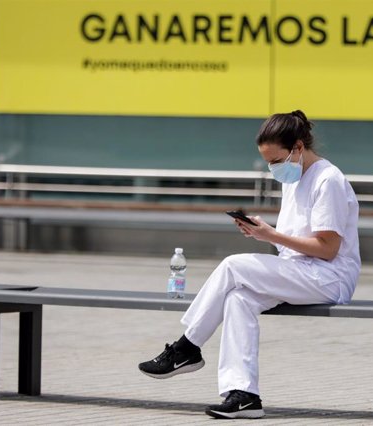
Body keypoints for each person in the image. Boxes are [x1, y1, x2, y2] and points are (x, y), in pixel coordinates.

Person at [138, 110, 361, 419]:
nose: (273, 169)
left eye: (276, 161)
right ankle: (243, 395)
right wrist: (265, 233)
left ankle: (186, 347)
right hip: (298, 271)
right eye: (268, 163)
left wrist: (271, 235)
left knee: (233, 265)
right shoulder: (294, 179)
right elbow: (295, 240)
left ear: (298, 147)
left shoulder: (328, 180)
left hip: (328, 277)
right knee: (237, 299)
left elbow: (327, 249)